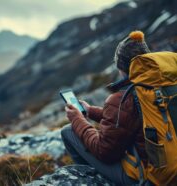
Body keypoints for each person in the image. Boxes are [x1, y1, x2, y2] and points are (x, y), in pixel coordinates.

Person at [61, 31, 150, 185]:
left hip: (148, 178)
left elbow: (105, 152)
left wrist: (77, 119)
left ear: (120, 66)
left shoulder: (124, 98)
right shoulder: (160, 87)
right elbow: (130, 118)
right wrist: (91, 112)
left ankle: (89, 181)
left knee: (68, 131)